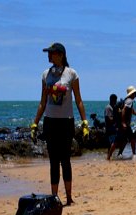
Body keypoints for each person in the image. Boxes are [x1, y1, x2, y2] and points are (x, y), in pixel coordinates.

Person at [31, 42, 87, 206]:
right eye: (48, 53)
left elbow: (79, 100)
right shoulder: (45, 75)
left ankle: (69, 198)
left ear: (61, 55)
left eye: (52, 53)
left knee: (65, 160)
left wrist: (84, 121)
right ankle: (55, 198)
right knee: (53, 161)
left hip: (66, 122)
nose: (49, 55)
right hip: (50, 122)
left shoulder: (71, 74)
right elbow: (42, 102)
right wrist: (35, 123)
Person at [109, 86, 136, 160]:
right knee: (129, 139)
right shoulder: (129, 100)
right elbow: (124, 110)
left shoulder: (127, 100)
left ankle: (115, 155)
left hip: (123, 125)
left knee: (122, 140)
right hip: (125, 125)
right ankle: (134, 155)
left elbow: (133, 112)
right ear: (132, 93)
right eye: (135, 92)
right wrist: (123, 122)